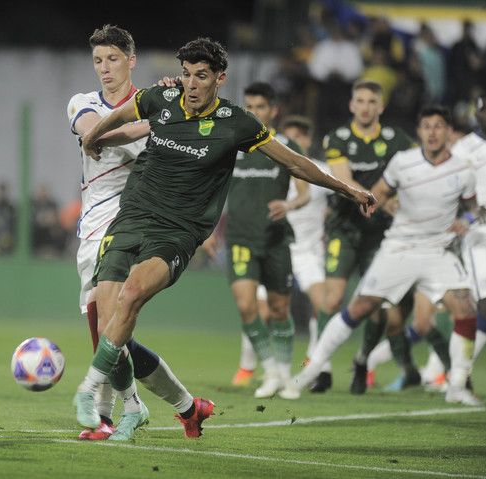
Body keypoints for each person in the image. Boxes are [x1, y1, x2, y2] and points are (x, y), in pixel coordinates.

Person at [73, 37, 376, 441]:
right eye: (186, 75)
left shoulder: (238, 123)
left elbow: (295, 162)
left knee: (130, 296)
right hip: (132, 216)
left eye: (201, 76)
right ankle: (174, 407)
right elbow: (127, 113)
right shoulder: (163, 98)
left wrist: (349, 189)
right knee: (110, 316)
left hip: (178, 230)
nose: (192, 84)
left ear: (220, 79)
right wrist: (96, 136)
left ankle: (89, 390)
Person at [280, 105, 483, 406]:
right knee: (361, 308)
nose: (432, 132)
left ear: (448, 131)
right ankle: (308, 373)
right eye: (426, 126)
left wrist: (464, 223)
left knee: (465, 309)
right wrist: (377, 203)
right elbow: (376, 193)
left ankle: (457, 385)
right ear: (419, 131)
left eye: (438, 126)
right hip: (399, 247)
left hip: (438, 250)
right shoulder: (403, 162)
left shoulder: (463, 169)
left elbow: (473, 208)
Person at [67, 24, 202, 441]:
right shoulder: (83, 102)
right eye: (97, 61)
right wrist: (162, 118)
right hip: (93, 224)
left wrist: (168, 109)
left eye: (112, 59)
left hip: (136, 222)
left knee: (107, 319)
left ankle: (118, 412)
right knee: (107, 328)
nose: (104, 68)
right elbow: (108, 129)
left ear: (131, 60)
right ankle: (187, 406)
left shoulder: (158, 101)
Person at [208, 83, 310, 399]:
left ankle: (285, 373)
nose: (253, 112)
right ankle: (270, 370)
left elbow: (305, 193)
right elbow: (213, 188)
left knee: (279, 309)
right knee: (246, 305)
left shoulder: (286, 145)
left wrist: (289, 205)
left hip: (275, 238)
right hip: (239, 238)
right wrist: (209, 229)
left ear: (273, 111)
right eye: (248, 106)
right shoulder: (231, 144)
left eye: (260, 107)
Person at [314, 80, 416, 394]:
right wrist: (385, 199)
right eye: (360, 100)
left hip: (381, 235)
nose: (366, 106)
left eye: (372, 101)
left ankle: (362, 359)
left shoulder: (397, 139)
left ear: (380, 107)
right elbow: (345, 180)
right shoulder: (339, 138)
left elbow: (415, 172)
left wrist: (406, 200)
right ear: (351, 105)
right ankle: (322, 368)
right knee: (332, 299)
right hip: (345, 229)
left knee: (380, 306)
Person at [278, 116, 331, 377]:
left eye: (299, 137)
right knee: (262, 311)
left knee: (323, 304)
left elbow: (344, 193)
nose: (293, 142)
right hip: (279, 249)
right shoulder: (274, 169)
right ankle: (256, 365)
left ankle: (315, 360)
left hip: (309, 253)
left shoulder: (320, 170)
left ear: (308, 140)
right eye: (288, 138)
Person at [453, 92, 486, 368]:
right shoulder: (464, 149)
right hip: (479, 233)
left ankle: (443, 371)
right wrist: (468, 214)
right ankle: (458, 373)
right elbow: (448, 189)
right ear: (476, 113)